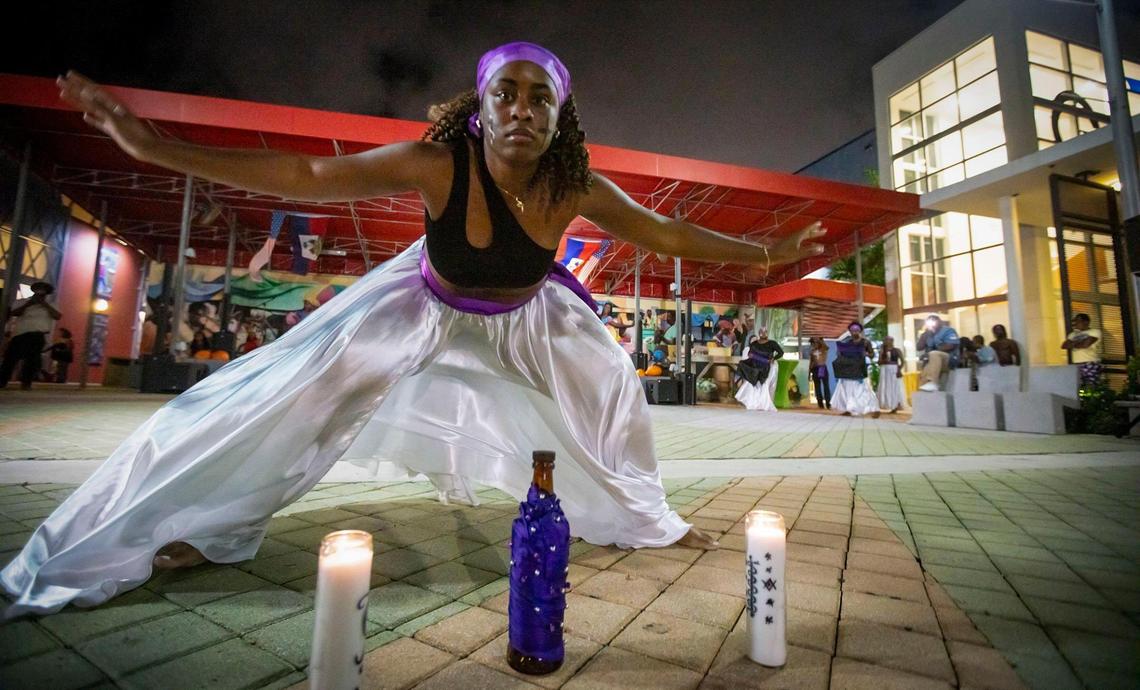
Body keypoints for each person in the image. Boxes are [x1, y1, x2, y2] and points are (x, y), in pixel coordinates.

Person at [1, 46, 828, 617]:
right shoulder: (438, 163)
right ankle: (199, 521)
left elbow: (671, 235)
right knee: (284, 398)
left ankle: (649, 520)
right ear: (480, 108)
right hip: (423, 303)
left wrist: (766, 250)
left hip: (530, 317)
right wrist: (153, 146)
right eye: (507, 92)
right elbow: (310, 175)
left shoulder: (575, 184)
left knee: (612, 391)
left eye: (542, 98)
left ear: (560, 116)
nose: (522, 109)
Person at [0, 282, 61, 390]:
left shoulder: (51, 304)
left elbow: (57, 316)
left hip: (37, 335)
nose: (40, 291)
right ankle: (2, 381)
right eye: (38, 289)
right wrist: (29, 304)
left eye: (43, 290)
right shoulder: (22, 301)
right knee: (10, 359)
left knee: (32, 361)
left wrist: (44, 304)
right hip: (20, 334)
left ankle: (26, 383)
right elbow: (15, 313)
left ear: (47, 293)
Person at [830, 322, 880, 418]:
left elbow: (872, 355)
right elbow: (841, 354)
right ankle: (848, 409)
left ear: (860, 331)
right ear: (850, 332)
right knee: (846, 390)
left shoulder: (865, 342)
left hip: (860, 369)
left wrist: (866, 354)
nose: (854, 332)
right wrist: (840, 352)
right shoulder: (847, 343)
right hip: (848, 369)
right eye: (852, 331)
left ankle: (874, 409)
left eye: (856, 330)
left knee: (864, 390)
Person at [735, 331, 782, 411]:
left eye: (765, 332)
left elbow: (780, 353)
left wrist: (773, 359)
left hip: (766, 367)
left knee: (764, 385)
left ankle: (763, 404)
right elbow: (750, 354)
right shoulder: (754, 344)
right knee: (753, 386)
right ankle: (754, 403)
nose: (763, 334)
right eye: (762, 332)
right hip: (755, 368)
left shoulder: (772, 343)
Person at [916, 315, 960, 392]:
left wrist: (930, 353)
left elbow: (951, 345)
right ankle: (924, 387)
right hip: (934, 361)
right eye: (929, 321)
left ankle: (933, 382)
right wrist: (924, 335)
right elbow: (919, 347)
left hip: (949, 359)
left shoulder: (948, 330)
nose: (932, 323)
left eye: (934, 320)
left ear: (940, 322)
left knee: (934, 354)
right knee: (925, 370)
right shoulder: (928, 334)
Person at [1062, 313, 1102, 386]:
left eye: (1078, 321)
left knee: (1091, 385)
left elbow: (1085, 345)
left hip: (1090, 362)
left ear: (1086, 322)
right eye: (1074, 321)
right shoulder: (1072, 334)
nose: (1075, 323)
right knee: (1078, 386)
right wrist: (1080, 343)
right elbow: (1064, 345)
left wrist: (1073, 344)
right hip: (1075, 364)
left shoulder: (1094, 331)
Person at [877, 335, 904, 414]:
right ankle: (886, 404)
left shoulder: (897, 350)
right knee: (885, 386)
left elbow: (902, 361)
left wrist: (899, 369)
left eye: (887, 340)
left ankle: (896, 405)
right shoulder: (882, 351)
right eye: (885, 340)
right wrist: (882, 354)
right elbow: (879, 362)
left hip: (894, 369)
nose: (885, 341)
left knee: (895, 386)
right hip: (884, 369)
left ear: (892, 341)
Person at [809, 336, 830, 409]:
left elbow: (826, 347)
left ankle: (828, 403)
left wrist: (819, 340)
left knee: (826, 386)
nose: (814, 345)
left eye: (815, 343)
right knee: (817, 387)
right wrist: (809, 373)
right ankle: (820, 403)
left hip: (822, 368)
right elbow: (811, 362)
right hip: (815, 369)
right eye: (812, 343)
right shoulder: (812, 352)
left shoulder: (823, 349)